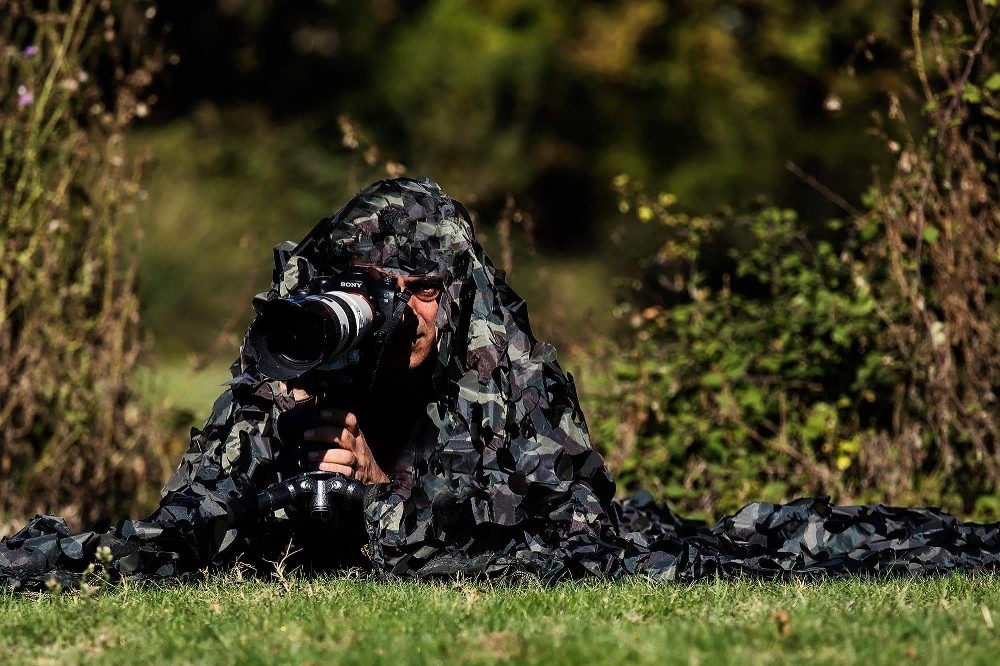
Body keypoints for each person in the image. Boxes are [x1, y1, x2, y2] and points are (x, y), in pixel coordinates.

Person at [2, 177, 1000, 591]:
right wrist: (277, 471)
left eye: (421, 292)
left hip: (559, 534)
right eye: (386, 293)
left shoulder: (499, 357)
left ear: (447, 290)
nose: (410, 315)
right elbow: (193, 516)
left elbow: (577, 537)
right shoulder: (303, 341)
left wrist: (390, 488)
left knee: (797, 547)